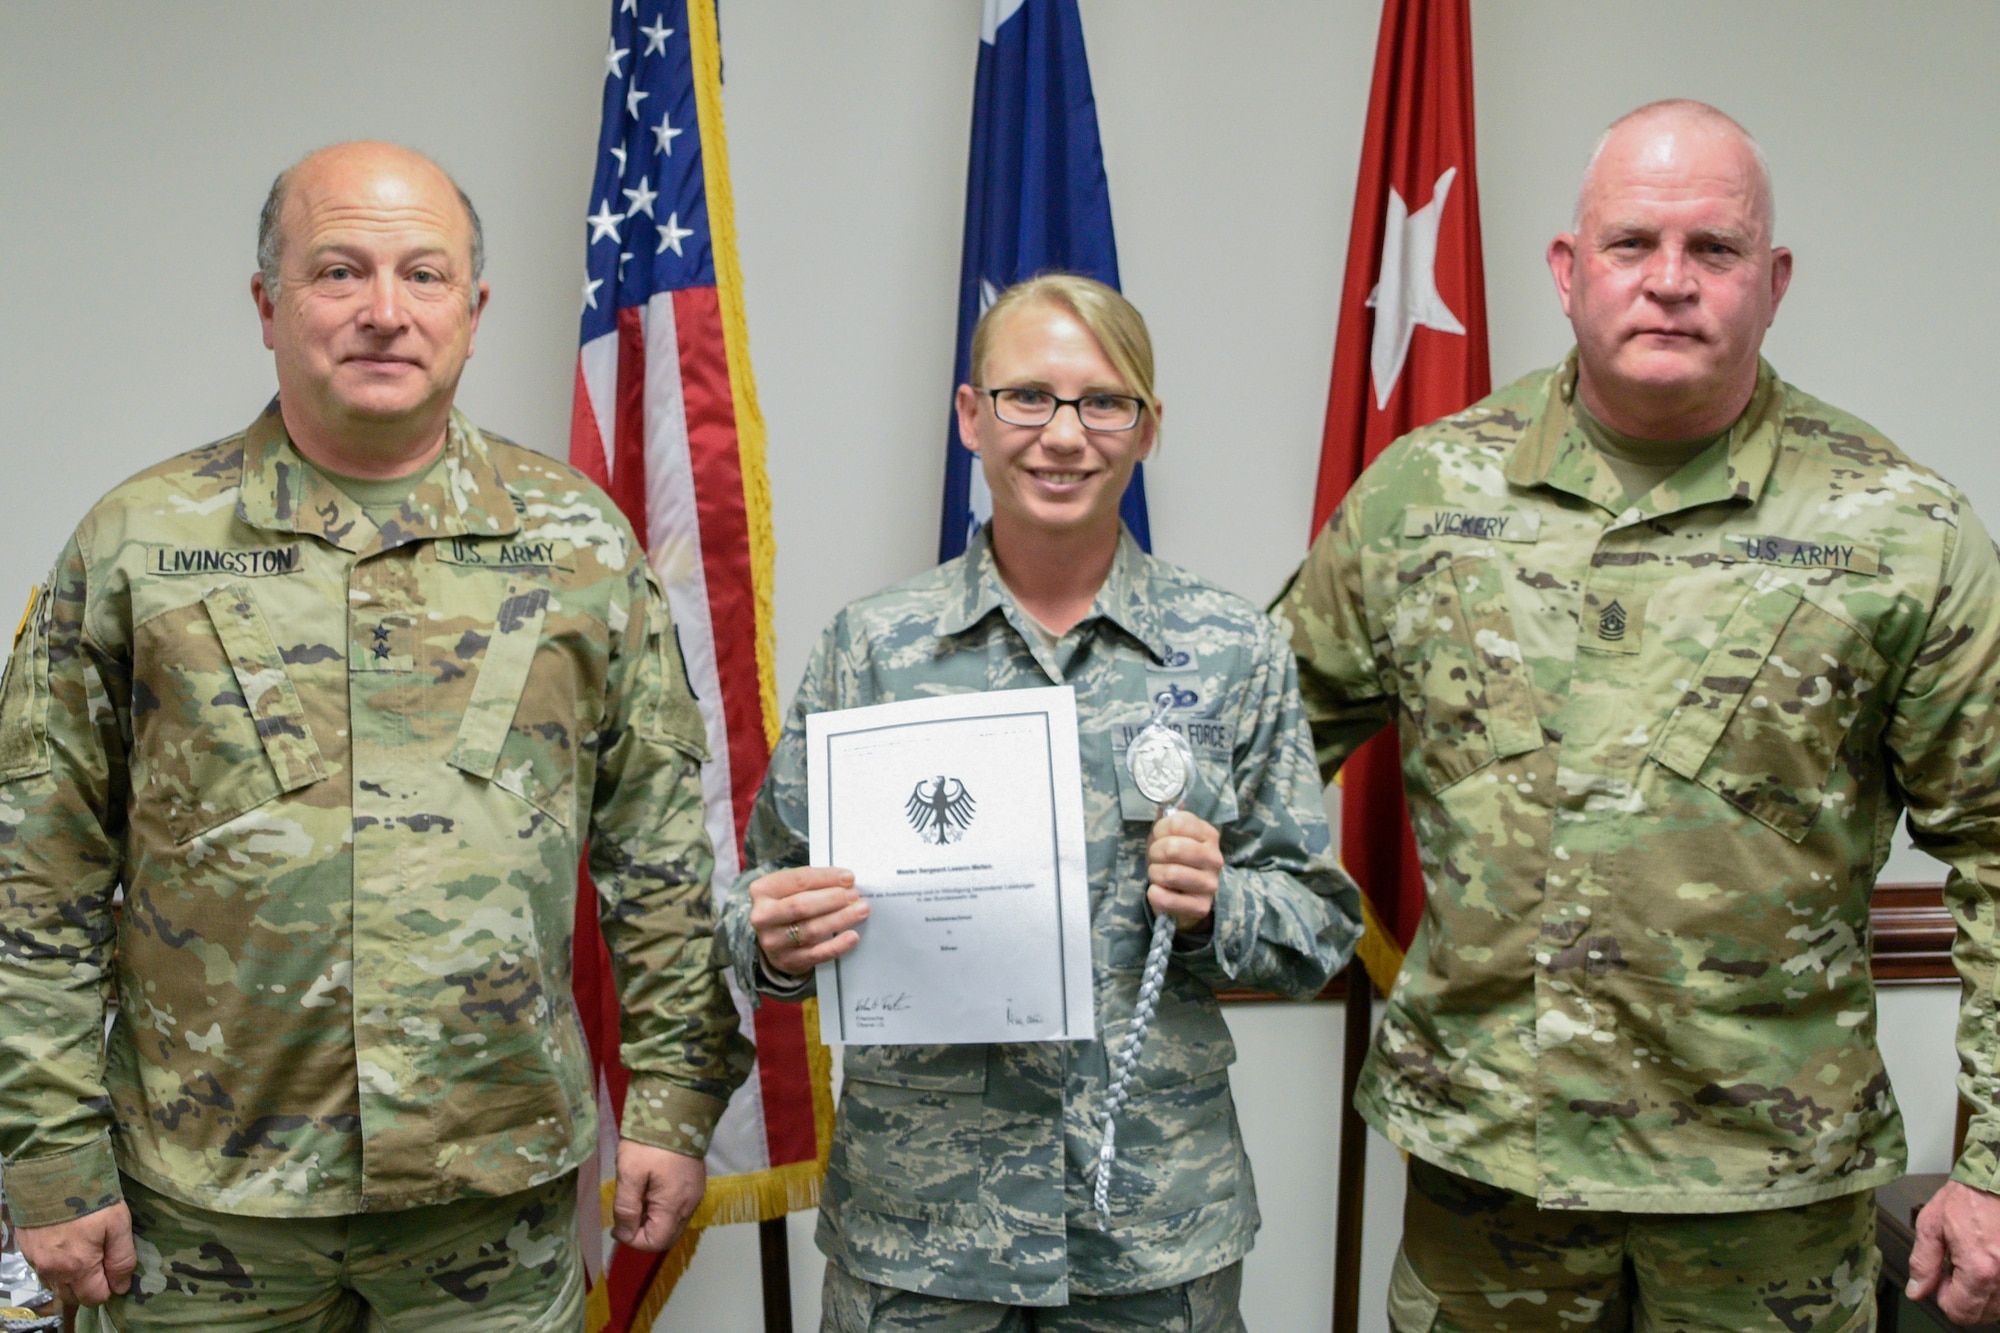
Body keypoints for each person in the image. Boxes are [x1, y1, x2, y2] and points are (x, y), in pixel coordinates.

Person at [1275, 97, 2000, 1331]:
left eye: (1712, 251)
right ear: (1566, 271)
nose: (1669, 283)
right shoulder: (1423, 496)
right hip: (1486, 1183)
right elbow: (1252, 744)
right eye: (1631, 244)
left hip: (1766, 1198)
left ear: (1770, 282)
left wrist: (1990, 1165)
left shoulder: (1899, 528)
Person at [0, 141, 750, 1328]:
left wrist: (668, 1096)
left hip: (488, 1204)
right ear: (268, 304)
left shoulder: (581, 545)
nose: (385, 313)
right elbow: (34, 878)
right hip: (200, 1213)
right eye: (339, 272)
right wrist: (46, 1157)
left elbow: (660, 855)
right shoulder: (133, 544)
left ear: (473, 308)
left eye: (425, 275)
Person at [717, 274, 1360, 1331]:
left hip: (1148, 1229)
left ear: (1147, 429)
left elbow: (1317, 926)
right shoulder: (872, 647)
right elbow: (753, 907)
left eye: (1102, 402)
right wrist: (780, 937)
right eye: (1027, 397)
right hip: (920, 1235)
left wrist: (1217, 908)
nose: (1063, 435)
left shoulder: (1231, 646)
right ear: (970, 415)